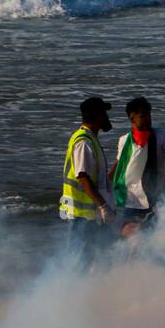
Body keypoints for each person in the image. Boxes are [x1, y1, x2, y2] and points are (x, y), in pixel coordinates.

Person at [110, 96, 165, 238]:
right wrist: (104, 192)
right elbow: (118, 167)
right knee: (131, 238)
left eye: (149, 115)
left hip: (157, 196)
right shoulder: (124, 140)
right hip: (131, 199)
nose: (148, 119)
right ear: (132, 119)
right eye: (143, 116)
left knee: (158, 236)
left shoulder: (160, 136)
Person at [59, 96, 115, 261]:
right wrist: (104, 206)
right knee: (79, 261)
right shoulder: (84, 142)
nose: (107, 118)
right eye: (104, 113)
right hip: (81, 215)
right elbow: (83, 178)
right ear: (98, 116)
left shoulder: (90, 138)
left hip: (86, 215)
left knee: (90, 259)